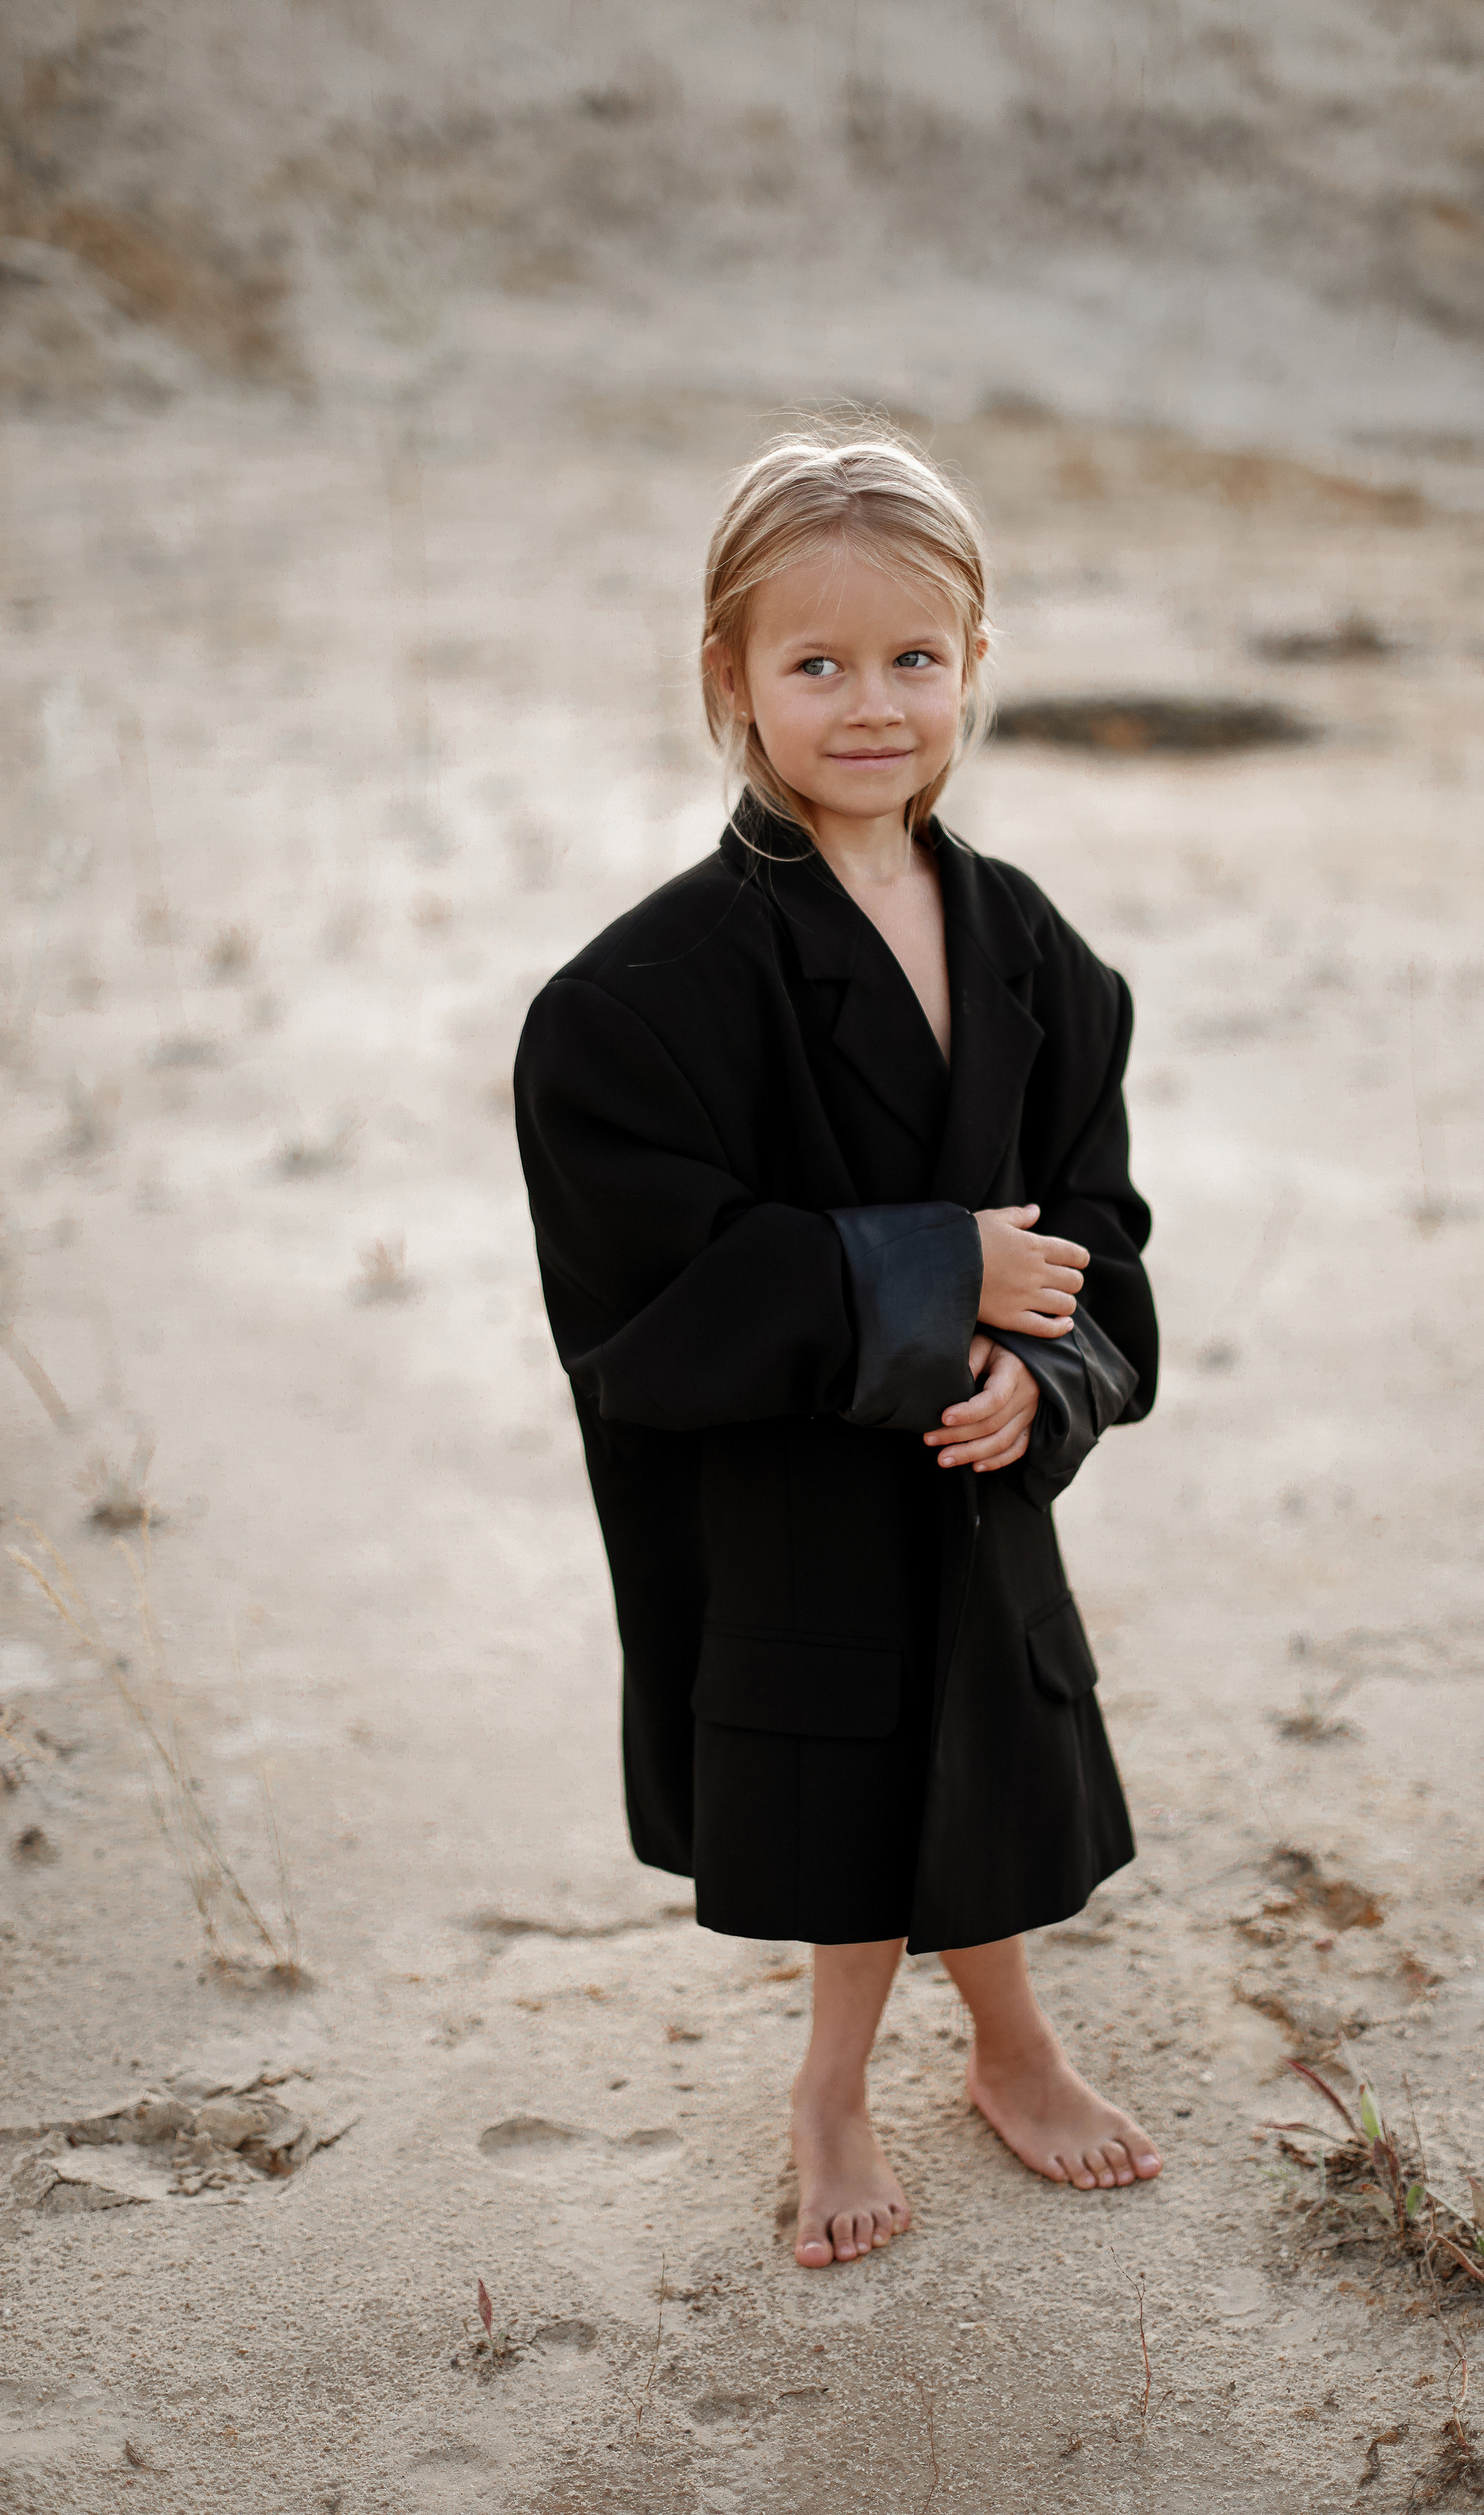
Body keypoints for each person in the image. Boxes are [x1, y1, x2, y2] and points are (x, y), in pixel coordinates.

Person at [515, 430, 1162, 2270]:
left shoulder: (1038, 954)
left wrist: (1051, 1374)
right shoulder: (637, 1003)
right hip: (789, 1481)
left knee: (984, 1734)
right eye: (815, 664)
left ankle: (1016, 2045)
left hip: (978, 1458)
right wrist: (929, 1267)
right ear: (727, 679)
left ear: (972, 665)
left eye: (912, 659)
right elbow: (646, 1309)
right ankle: (831, 2081)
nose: (870, 704)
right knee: (851, 1759)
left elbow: (1102, 1236)